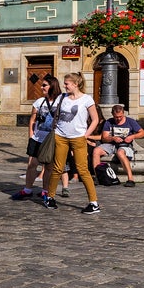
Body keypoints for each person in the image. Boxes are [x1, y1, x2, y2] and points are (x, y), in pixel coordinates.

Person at [42, 72, 101, 214]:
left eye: (67, 83)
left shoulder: (87, 99)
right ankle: (50, 197)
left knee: (83, 170)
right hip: (60, 137)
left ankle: (93, 203)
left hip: (78, 138)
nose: (65, 86)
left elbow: (95, 119)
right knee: (57, 168)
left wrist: (86, 135)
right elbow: (53, 112)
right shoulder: (62, 98)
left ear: (75, 84)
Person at [12, 75, 63, 201]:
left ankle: (45, 191)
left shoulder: (61, 101)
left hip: (51, 139)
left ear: (52, 86)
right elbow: (32, 120)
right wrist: (31, 135)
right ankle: (27, 189)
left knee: (49, 166)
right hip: (37, 138)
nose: (41, 87)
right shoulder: (39, 102)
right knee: (32, 164)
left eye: (44, 85)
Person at [94, 104, 144, 185]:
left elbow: (143, 133)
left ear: (123, 114)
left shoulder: (130, 121)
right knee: (96, 151)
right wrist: (113, 138)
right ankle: (99, 177)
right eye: (116, 117)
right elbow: (104, 137)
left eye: (120, 117)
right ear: (112, 115)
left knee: (120, 152)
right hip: (112, 145)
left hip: (125, 145)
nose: (118, 119)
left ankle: (130, 179)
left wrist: (132, 136)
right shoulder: (109, 122)